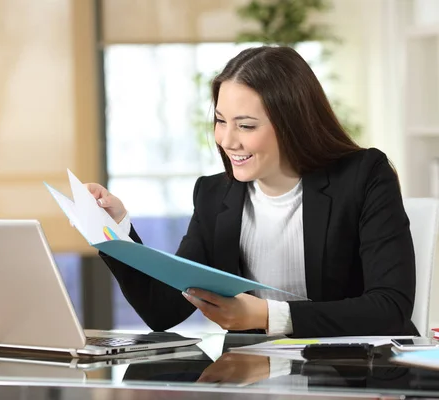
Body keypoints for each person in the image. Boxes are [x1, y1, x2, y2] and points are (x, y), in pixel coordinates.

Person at [86, 45, 417, 338]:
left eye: (245, 125)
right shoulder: (214, 195)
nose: (228, 141)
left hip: (358, 376)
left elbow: (389, 308)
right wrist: (116, 233)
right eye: (220, 121)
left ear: (293, 123)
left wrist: (268, 316)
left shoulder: (364, 176)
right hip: (260, 375)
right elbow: (163, 311)